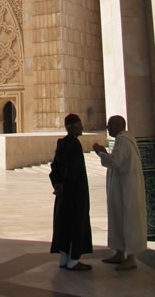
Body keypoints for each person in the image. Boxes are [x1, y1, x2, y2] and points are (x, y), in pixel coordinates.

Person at [93, 115, 147, 271]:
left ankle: (131, 258)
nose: (108, 128)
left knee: (128, 220)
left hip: (127, 190)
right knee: (119, 218)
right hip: (122, 188)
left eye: (110, 125)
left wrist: (101, 153)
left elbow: (115, 162)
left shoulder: (123, 141)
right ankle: (119, 252)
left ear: (118, 126)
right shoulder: (124, 139)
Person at [50, 113, 92, 271]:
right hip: (74, 194)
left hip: (63, 194)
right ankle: (73, 260)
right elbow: (72, 171)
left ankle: (64, 258)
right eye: (80, 125)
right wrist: (67, 187)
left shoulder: (62, 143)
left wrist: (57, 184)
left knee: (64, 224)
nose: (82, 128)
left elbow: (54, 167)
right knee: (76, 224)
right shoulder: (74, 145)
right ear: (74, 127)